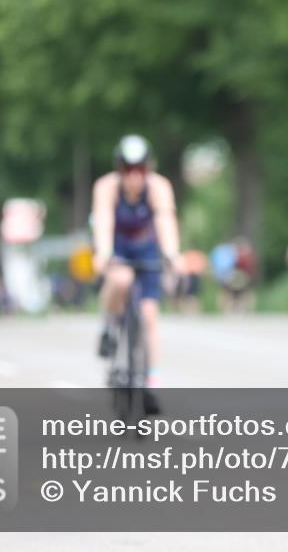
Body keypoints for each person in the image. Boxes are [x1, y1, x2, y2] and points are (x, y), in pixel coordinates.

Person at [91, 135, 185, 406]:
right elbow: (104, 222)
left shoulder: (159, 187)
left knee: (149, 315)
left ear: (148, 168)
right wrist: (103, 254)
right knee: (120, 280)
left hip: (146, 248)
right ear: (120, 169)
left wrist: (171, 255)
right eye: (128, 170)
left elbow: (166, 220)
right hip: (118, 246)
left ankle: (152, 380)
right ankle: (109, 324)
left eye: (140, 169)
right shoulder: (106, 187)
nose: (134, 176)